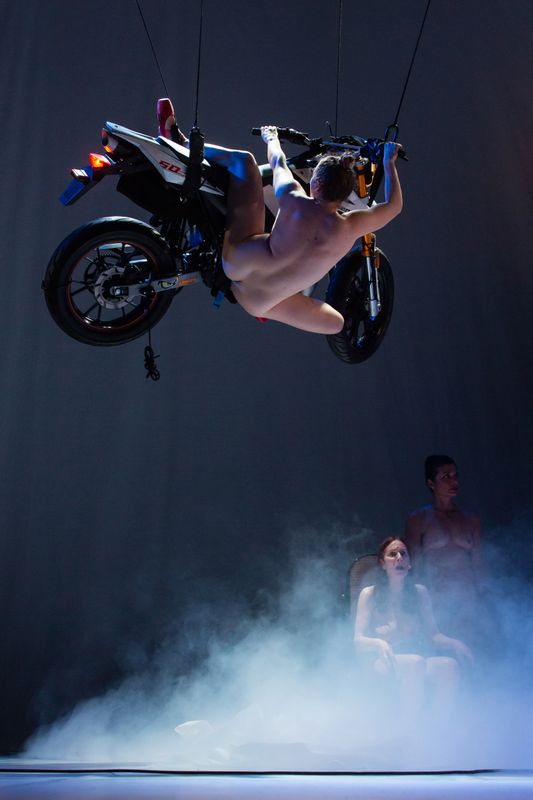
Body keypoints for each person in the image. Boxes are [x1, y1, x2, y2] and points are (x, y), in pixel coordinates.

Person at [157, 98, 403, 333]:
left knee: (246, 163)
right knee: (336, 323)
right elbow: (394, 206)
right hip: (257, 303)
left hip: (236, 266)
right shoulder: (351, 227)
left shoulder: (294, 198)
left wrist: (271, 137)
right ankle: (273, 300)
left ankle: (182, 144)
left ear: (316, 183)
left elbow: (278, 161)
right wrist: (388, 162)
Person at [354, 537, 473, 726]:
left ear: (409, 563)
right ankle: (406, 728)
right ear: (383, 564)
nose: (399, 558)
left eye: (403, 554)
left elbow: (433, 635)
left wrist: (454, 643)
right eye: (392, 554)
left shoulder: (419, 593)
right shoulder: (370, 594)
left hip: (414, 659)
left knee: (448, 666)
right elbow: (358, 640)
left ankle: (437, 726)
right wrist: (379, 643)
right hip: (382, 660)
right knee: (415, 663)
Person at [404, 455, 489, 651]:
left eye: (455, 475)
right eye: (445, 477)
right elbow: (413, 566)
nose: (454, 481)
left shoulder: (471, 520)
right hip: (437, 601)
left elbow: (479, 565)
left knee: (473, 652)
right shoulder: (418, 519)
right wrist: (418, 604)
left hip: (468, 600)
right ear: (431, 483)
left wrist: (484, 600)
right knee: (446, 652)